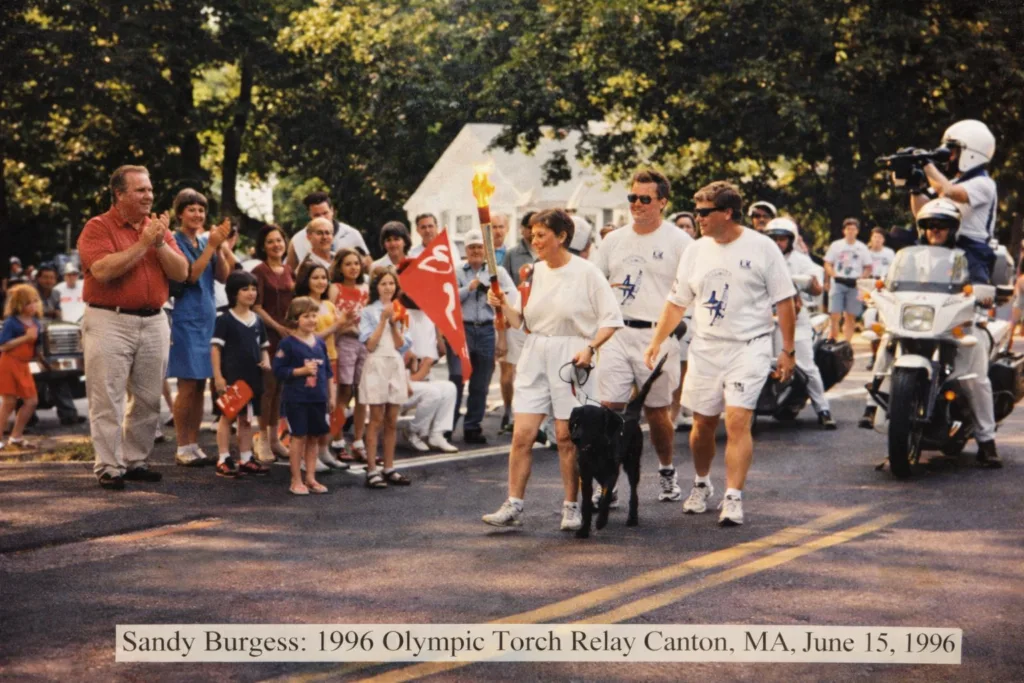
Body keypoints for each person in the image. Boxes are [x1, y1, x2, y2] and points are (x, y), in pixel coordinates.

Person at [644, 181, 797, 527]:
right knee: (702, 424)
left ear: (727, 212)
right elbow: (676, 302)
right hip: (706, 347)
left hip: (750, 345)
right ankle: (702, 483)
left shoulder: (762, 248)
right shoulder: (695, 251)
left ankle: (733, 497)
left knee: (739, 419)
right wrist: (656, 342)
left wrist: (787, 349)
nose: (698, 218)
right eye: (696, 212)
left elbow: (784, 301)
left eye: (704, 212)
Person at [482, 209, 623, 531]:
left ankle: (572, 506)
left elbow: (611, 319)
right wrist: (503, 305)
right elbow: (526, 324)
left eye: (542, 234)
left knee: (565, 438)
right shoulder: (535, 273)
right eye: (532, 234)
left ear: (562, 237)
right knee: (522, 435)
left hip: (572, 355)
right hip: (536, 354)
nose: (535, 240)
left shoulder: (587, 272)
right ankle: (514, 503)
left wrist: (590, 348)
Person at [862, 198, 1000, 468]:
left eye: (942, 226)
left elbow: (981, 280)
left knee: (975, 377)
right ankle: (872, 405)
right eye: (930, 226)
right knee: (888, 341)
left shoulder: (970, 253)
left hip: (959, 321)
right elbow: (894, 281)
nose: (935, 230)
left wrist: (982, 293)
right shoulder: (913, 255)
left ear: (953, 229)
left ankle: (987, 441)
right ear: (922, 228)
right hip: (922, 318)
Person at [78, 164, 188, 490]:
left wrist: (158, 243)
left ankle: (136, 460)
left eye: (150, 190)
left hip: (154, 320)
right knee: (107, 397)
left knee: (148, 397)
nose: (149, 196)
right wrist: (142, 243)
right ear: (120, 194)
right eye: (141, 190)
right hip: (109, 319)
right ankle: (110, 466)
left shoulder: (157, 230)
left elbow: (181, 272)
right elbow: (102, 271)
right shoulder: (98, 227)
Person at [593, 169, 693, 504]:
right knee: (609, 411)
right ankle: (609, 483)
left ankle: (666, 470)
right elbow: (593, 283)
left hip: (657, 336)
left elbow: (694, 287)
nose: (637, 204)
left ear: (662, 202)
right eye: (632, 198)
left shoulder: (680, 242)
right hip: (618, 334)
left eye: (645, 199)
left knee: (656, 413)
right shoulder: (613, 240)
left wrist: (681, 325)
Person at [167, 189, 234, 468]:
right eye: (191, 209)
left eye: (201, 210)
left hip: (207, 318)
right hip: (185, 318)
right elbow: (191, 276)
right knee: (187, 384)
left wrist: (220, 246)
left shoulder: (207, 241)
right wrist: (210, 247)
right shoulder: (174, 240)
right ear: (180, 213)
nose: (197, 215)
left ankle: (193, 443)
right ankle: (182, 444)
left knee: (202, 385)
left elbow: (223, 276)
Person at [764, 217, 836, 428]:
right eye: (774, 239)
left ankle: (823, 409)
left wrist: (810, 283)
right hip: (765, 318)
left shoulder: (800, 260)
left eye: (782, 239)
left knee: (806, 365)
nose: (778, 243)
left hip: (796, 319)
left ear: (790, 240)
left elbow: (816, 284)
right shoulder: (761, 258)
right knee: (761, 364)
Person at [911, 120, 997, 284]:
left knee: (970, 298)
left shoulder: (984, 183)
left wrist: (925, 164)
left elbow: (948, 192)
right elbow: (921, 211)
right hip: (944, 245)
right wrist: (914, 188)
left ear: (971, 153)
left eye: (953, 152)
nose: (948, 158)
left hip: (970, 251)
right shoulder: (951, 182)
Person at [455, 230, 516, 444]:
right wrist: (468, 289)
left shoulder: (496, 271)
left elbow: (511, 297)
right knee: (457, 379)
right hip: (463, 328)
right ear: (466, 250)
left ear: (486, 250)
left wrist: (494, 293)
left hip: (487, 330)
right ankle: (447, 425)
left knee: (481, 383)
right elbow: (449, 299)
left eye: (479, 247)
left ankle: (473, 426)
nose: (476, 251)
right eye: (471, 247)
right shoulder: (458, 271)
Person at [210, 270, 272, 478]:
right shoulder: (226, 319)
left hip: (252, 377)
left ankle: (246, 458)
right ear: (234, 293)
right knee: (227, 417)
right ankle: (223, 457)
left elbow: (263, 346)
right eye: (245, 289)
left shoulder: (257, 321)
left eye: (254, 289)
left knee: (246, 419)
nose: (251, 293)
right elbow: (216, 348)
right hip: (233, 378)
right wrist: (218, 376)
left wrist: (266, 361)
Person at [273, 297, 335, 495]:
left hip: (318, 398)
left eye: (314, 315)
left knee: (314, 438)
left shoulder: (319, 343)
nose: (311, 320)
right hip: (297, 399)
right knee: (298, 437)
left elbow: (328, 372)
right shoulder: (288, 344)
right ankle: (295, 479)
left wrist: (331, 396)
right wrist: (299, 371)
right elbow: (278, 370)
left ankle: (310, 477)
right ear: (295, 319)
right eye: (306, 316)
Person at [358, 267, 413, 489]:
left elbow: (402, 345)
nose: (388, 288)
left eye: (391, 283)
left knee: (392, 419)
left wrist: (393, 323)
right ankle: (372, 468)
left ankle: (389, 466)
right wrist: (382, 320)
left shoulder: (401, 310)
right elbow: (370, 344)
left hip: (395, 363)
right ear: (376, 287)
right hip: (376, 363)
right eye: (383, 284)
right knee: (377, 418)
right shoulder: (369, 311)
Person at [295, 261, 350, 471]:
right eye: (316, 277)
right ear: (306, 280)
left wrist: (346, 323)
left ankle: (324, 450)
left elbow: (336, 333)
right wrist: (337, 325)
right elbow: (307, 337)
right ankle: (306, 456)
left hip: (331, 358)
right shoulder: (303, 303)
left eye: (324, 278)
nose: (321, 282)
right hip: (310, 362)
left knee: (330, 406)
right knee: (313, 407)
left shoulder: (329, 304)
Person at [252, 225, 295, 463]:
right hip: (268, 335)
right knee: (267, 389)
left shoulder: (289, 270)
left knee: (280, 389)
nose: (276, 245)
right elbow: (256, 305)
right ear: (263, 246)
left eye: (279, 240)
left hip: (287, 336)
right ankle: (262, 439)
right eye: (270, 241)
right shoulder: (259, 270)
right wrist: (278, 327)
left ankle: (275, 439)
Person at [328, 248, 370, 462]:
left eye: (356, 263)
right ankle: (337, 439)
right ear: (340, 267)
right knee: (344, 391)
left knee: (363, 393)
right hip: (344, 342)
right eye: (348, 264)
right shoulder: (335, 289)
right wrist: (344, 328)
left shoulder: (365, 288)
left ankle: (359, 440)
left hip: (364, 343)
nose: (353, 267)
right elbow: (330, 319)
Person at [498, 211, 538, 434]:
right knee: (508, 370)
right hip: (514, 316)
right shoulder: (512, 254)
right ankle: (507, 410)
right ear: (522, 229)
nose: (533, 233)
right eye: (529, 227)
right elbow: (503, 288)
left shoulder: (546, 253)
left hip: (537, 318)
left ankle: (529, 414)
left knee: (532, 370)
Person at [400, 307, 459, 453]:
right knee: (432, 393)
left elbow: (439, 352)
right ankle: (414, 431)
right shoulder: (402, 316)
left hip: (419, 377)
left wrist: (439, 334)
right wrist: (422, 369)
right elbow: (406, 377)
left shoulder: (428, 316)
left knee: (450, 388)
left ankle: (437, 434)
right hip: (399, 384)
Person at [0, 285, 43, 450]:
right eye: (28, 303)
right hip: (9, 363)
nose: (33, 306)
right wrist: (26, 337)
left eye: (34, 302)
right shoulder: (11, 322)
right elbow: (3, 346)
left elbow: (35, 346)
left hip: (24, 365)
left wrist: (40, 359)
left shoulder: (36, 323)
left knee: (31, 401)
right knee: (9, 403)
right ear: (18, 305)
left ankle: (16, 436)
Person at [287, 191, 369, 271]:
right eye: (317, 215)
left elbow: (368, 266)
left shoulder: (352, 234)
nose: (322, 217)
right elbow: (289, 274)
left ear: (332, 210)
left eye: (325, 213)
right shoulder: (297, 240)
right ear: (309, 214)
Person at [823, 218, 871, 343]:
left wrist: (862, 278)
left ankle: (847, 342)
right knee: (835, 314)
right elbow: (827, 263)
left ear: (857, 231)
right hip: (838, 280)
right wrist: (831, 276)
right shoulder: (836, 245)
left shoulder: (862, 247)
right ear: (844, 231)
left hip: (854, 282)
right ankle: (833, 337)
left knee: (850, 315)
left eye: (853, 229)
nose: (850, 231)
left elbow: (868, 266)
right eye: (848, 229)